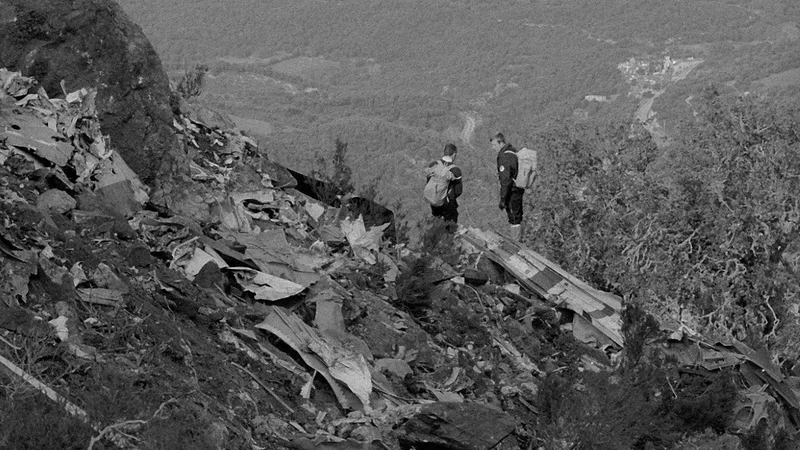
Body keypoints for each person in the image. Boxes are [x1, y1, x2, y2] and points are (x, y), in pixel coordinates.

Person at [492, 132, 524, 240]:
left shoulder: (505, 156)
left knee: (514, 218)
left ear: (501, 142)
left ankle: (516, 244)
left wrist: (503, 199)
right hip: (518, 189)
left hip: (512, 191)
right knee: (516, 217)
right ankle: (517, 242)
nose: (493, 148)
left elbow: (505, 180)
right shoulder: (512, 152)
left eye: (495, 145)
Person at [425, 143, 462, 232]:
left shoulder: (433, 165)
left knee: (436, 224)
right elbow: (458, 191)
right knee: (450, 227)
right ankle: (448, 241)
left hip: (433, 201)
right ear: (454, 154)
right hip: (448, 204)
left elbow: (428, 182)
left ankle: (435, 243)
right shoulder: (455, 170)